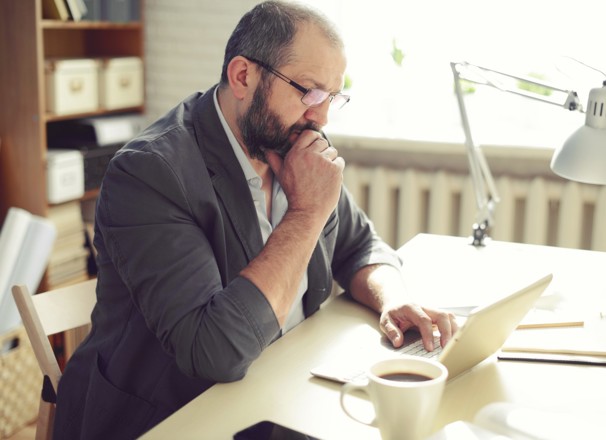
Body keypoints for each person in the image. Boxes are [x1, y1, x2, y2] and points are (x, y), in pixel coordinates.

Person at [53, 1, 458, 438]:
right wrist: (305, 214)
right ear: (243, 76)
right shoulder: (150, 173)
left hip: (287, 389)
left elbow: (361, 245)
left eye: (331, 97)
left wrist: (391, 297)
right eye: (309, 91)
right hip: (174, 417)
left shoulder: (291, 140)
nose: (321, 116)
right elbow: (216, 353)